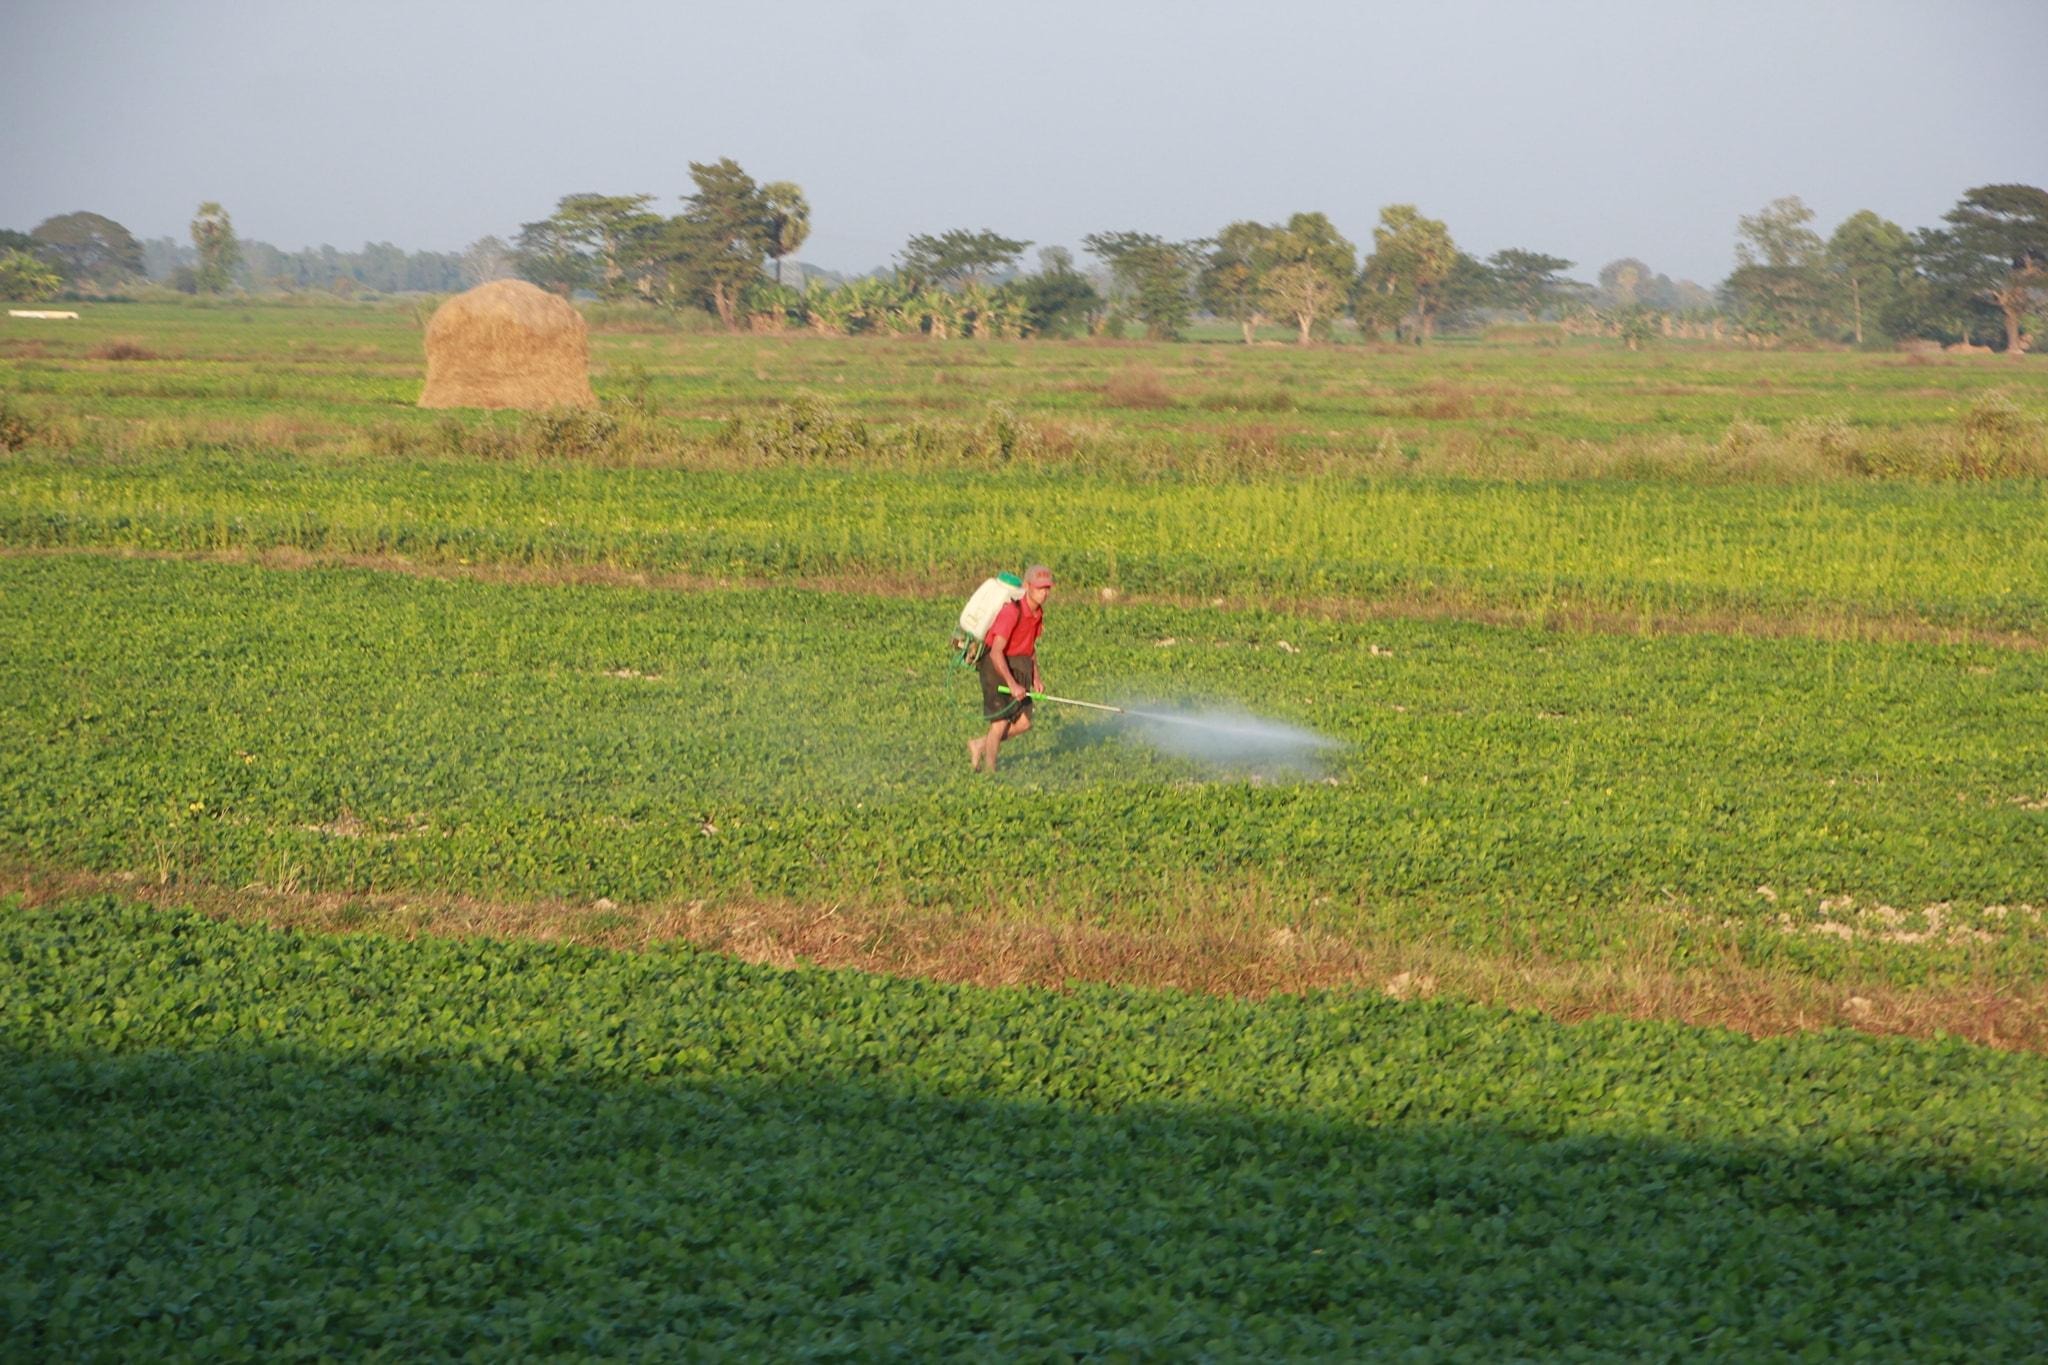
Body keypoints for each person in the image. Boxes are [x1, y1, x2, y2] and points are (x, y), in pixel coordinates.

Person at [970, 564, 1053, 773]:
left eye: (1047, 588)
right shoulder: (1011, 612)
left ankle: (980, 744)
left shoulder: (1038, 614)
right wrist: (1012, 684)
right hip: (996, 666)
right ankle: (990, 773)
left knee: (1024, 723)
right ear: (1027, 586)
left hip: (1021, 664)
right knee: (1000, 723)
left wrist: (1036, 678)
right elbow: (997, 651)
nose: (1044, 593)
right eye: (1039, 588)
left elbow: (1030, 647)